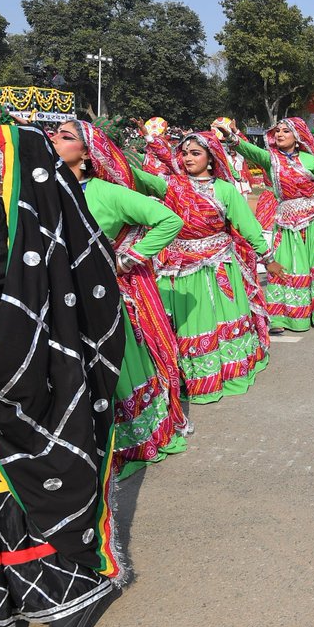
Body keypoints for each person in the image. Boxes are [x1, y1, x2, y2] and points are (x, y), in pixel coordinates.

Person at [0, 124, 125, 627]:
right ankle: (7, 588)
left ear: (2, 172)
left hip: (14, 370)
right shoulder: (9, 219)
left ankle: (74, 587)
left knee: (25, 475)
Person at [51, 119, 188, 480]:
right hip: (55, 298)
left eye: (66, 137)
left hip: (100, 297)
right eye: (55, 134)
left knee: (113, 368)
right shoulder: (40, 190)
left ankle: (129, 440)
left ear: (86, 154)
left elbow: (168, 220)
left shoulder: (104, 192)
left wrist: (127, 259)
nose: (54, 139)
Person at [137, 132, 279, 402]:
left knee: (218, 319)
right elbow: (139, 179)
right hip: (179, 268)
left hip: (218, 268)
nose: (188, 158)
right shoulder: (172, 185)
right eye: (185, 153)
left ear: (211, 159)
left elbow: (247, 226)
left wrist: (267, 258)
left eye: (195, 153)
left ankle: (227, 372)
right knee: (181, 324)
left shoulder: (224, 190)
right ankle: (187, 377)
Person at [228, 118, 314, 331]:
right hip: (287, 222)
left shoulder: (309, 160)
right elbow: (250, 151)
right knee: (285, 265)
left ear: (296, 137)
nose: (279, 134)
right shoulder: (271, 159)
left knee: (313, 264)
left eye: (285, 131)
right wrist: (231, 137)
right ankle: (281, 316)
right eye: (277, 131)